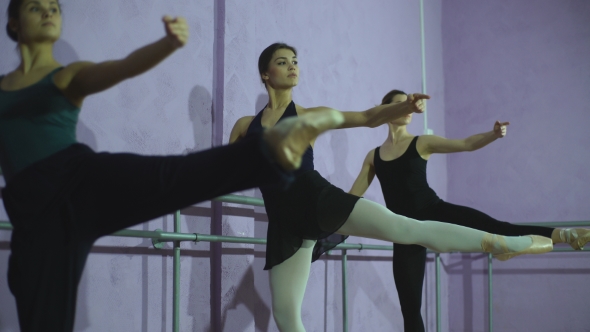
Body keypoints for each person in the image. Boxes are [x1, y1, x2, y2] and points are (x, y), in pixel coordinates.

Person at [0, 1, 345, 331]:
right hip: (35, 216)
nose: (48, 11)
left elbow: (121, 67)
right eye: (35, 7)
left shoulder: (65, 76)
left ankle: (269, 149)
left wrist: (166, 44)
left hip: (78, 180)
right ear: (14, 22)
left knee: (169, 176)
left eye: (55, 7)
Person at [229, 43, 553, 332]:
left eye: (295, 60)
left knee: (409, 229)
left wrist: (405, 107)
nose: (292, 66)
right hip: (285, 223)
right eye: (283, 62)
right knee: (286, 317)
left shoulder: (307, 116)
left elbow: (369, 117)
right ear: (265, 75)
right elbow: (229, 170)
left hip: (319, 201)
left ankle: (506, 242)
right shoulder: (245, 126)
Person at [349, 89, 590, 332]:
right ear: (387, 109)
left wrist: (493, 134)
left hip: (435, 211)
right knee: (410, 311)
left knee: (499, 229)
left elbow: (465, 144)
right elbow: (351, 200)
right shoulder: (374, 157)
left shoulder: (421, 142)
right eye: (401, 104)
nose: (409, 109)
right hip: (403, 234)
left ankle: (566, 235)